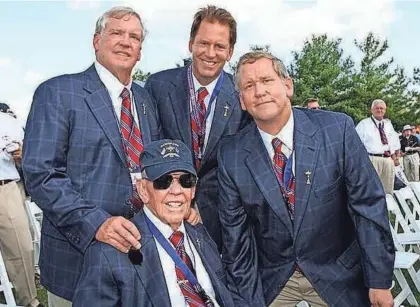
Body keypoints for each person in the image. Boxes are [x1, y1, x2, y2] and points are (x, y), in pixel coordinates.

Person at [22, 6, 201, 307]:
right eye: (116, 32)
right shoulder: (58, 92)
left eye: (134, 37)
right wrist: (96, 223)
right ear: (96, 40)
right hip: (77, 261)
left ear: (140, 51)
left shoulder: (145, 101)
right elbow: (41, 173)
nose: (125, 41)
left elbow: (153, 169)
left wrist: (178, 204)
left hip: (140, 259)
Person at [217, 51, 394, 307]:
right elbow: (236, 238)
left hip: (338, 274)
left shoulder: (337, 130)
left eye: (267, 80)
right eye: (249, 85)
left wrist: (378, 281)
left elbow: (368, 207)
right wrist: (247, 300)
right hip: (274, 279)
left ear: (287, 86)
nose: (259, 91)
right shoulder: (231, 153)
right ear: (242, 101)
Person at [73, 139, 234, 307]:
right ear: (142, 189)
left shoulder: (201, 235)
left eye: (186, 181)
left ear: (193, 190)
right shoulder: (109, 254)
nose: (177, 191)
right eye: (163, 181)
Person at [145, 5, 251, 250]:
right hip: (164, 212)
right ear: (191, 43)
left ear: (230, 51)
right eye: (203, 43)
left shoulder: (241, 96)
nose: (210, 53)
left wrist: (203, 209)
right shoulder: (158, 86)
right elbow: (150, 151)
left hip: (220, 220)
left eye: (220, 46)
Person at [0, 109, 43, 307]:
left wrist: (21, 153)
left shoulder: (7, 121)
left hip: (6, 187)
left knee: (21, 245)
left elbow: (30, 152)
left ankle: (29, 300)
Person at [356, 99, 400, 194]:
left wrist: (395, 157)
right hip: (372, 159)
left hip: (388, 160)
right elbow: (356, 144)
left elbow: (395, 143)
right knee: (372, 188)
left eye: (382, 108)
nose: (379, 110)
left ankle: (388, 208)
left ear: (385, 110)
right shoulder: (364, 124)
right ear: (371, 110)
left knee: (388, 189)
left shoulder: (388, 124)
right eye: (377, 108)